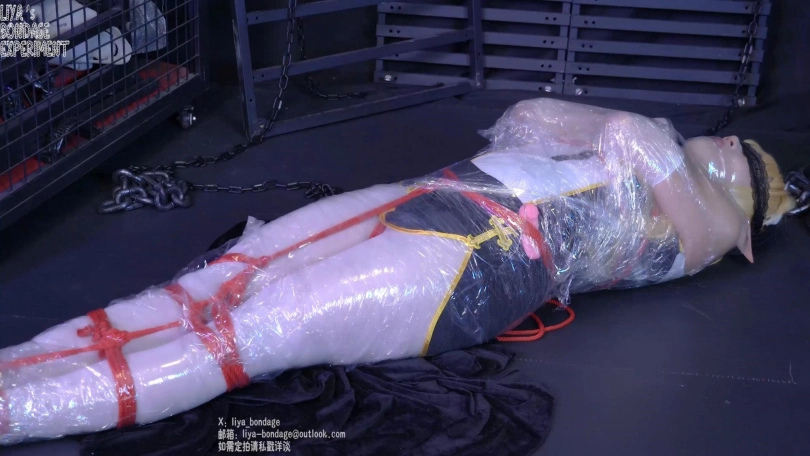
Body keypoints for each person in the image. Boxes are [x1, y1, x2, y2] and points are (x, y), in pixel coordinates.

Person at [0, 98, 797, 444]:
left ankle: (17, 412)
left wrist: (641, 137)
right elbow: (526, 121)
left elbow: (640, 143)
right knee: (222, 277)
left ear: (750, 224)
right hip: (433, 198)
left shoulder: (706, 232)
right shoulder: (639, 171)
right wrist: (623, 136)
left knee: (246, 334)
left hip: (474, 265)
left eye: (747, 164)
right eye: (740, 144)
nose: (734, 145)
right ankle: (17, 369)